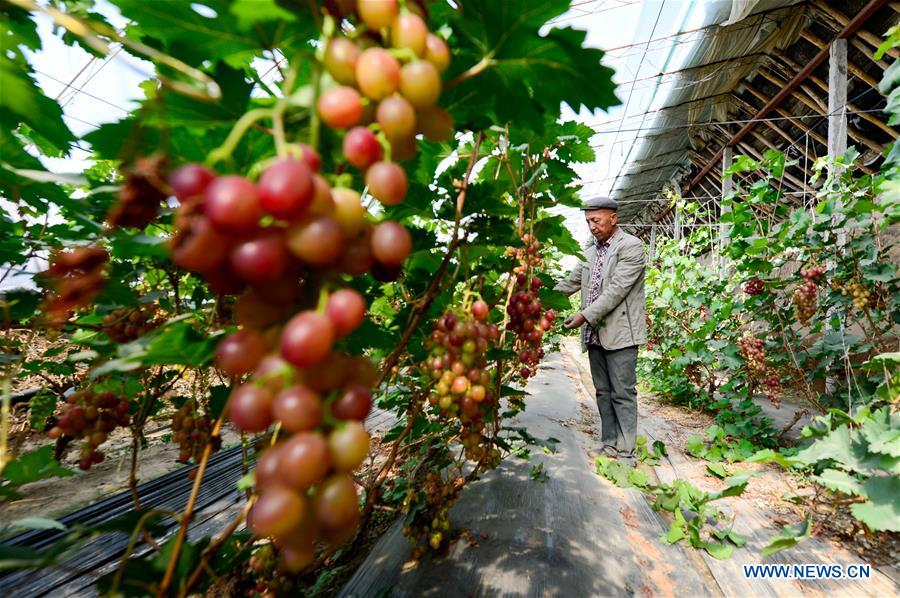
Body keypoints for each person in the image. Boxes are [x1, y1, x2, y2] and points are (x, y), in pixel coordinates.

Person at [554, 197, 647, 466]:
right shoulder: (590, 251)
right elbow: (572, 281)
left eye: (596, 220)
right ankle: (610, 445)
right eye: (588, 222)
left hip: (621, 333)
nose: (592, 227)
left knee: (623, 392)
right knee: (603, 391)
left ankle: (627, 452)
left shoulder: (631, 247)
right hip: (595, 333)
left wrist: (584, 316)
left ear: (613, 218)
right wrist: (540, 297)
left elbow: (616, 290)